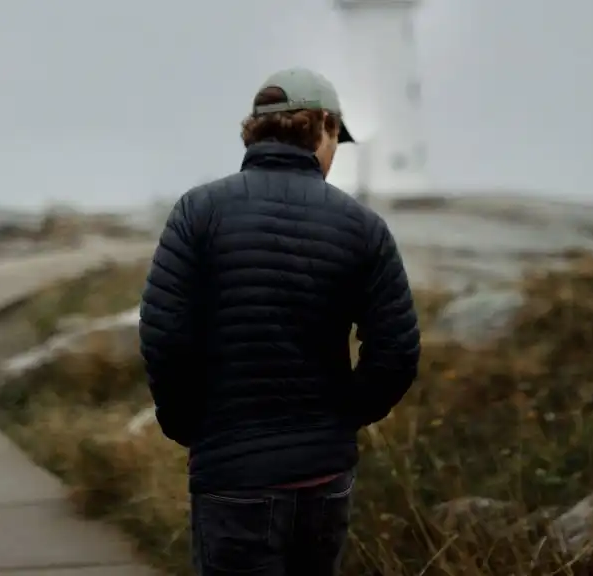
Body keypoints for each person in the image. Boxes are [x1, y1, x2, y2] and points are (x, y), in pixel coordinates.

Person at [138, 67, 421, 576]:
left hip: (231, 473)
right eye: (337, 139)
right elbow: (397, 351)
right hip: (324, 476)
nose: (335, 154)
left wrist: (190, 426)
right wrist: (340, 419)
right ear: (323, 127)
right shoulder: (364, 227)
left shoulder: (197, 212)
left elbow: (164, 336)